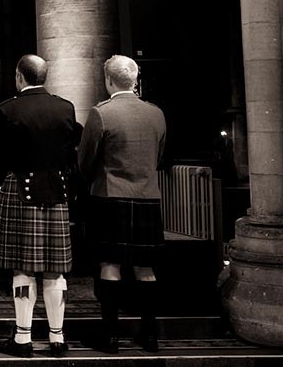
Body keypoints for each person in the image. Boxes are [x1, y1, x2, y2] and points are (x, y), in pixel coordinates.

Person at [0, 54, 81, 358]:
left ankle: (23, 338)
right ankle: (58, 338)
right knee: (55, 269)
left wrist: (9, 176)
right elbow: (70, 152)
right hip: (57, 188)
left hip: (20, 187)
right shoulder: (65, 107)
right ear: (45, 76)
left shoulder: (7, 110)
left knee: (23, 266)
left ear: (19, 76)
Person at [78, 55, 168, 353]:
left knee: (110, 264)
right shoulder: (156, 114)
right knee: (145, 268)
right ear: (135, 80)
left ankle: (110, 335)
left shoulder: (102, 113)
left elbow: (85, 159)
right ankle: (150, 334)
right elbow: (159, 156)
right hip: (147, 197)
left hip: (109, 196)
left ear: (109, 81)